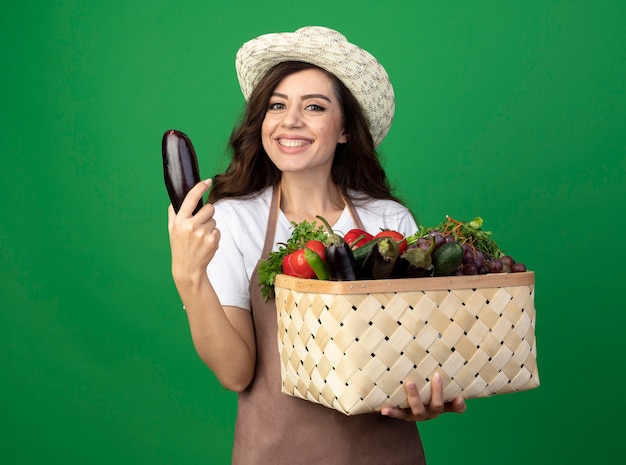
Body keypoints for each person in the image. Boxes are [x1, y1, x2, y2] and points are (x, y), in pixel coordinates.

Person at [167, 26, 466, 465]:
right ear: (262, 121)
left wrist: (428, 392)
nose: (290, 120)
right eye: (277, 105)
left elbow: (416, 351)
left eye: (314, 106)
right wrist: (189, 275)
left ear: (344, 130)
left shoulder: (389, 220)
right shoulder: (234, 219)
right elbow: (235, 373)